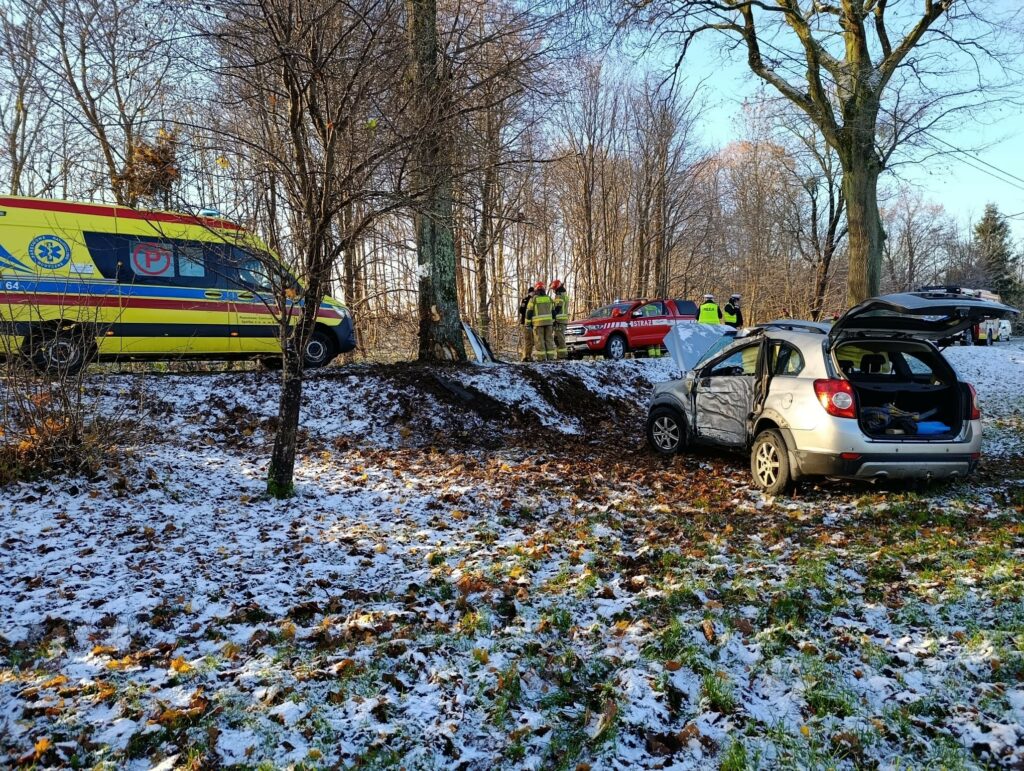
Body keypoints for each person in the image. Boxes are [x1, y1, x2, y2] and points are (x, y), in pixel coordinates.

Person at [526, 281, 556, 361]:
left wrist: (527, 323)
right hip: (549, 324)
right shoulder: (549, 298)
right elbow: (553, 312)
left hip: (538, 324)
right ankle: (550, 358)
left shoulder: (533, 299)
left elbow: (529, 312)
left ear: (536, 289)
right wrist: (553, 321)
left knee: (539, 341)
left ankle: (541, 358)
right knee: (549, 340)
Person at [550, 279, 570, 360]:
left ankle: (562, 356)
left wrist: (552, 315)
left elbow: (558, 308)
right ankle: (561, 355)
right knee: (557, 338)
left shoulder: (559, 295)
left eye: (554, 289)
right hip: (562, 320)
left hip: (559, 321)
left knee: (559, 338)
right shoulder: (564, 295)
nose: (554, 291)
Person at [518, 285, 536, 361]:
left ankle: (528, 355)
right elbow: (521, 310)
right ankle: (526, 356)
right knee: (528, 340)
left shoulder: (534, 300)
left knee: (532, 341)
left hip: (533, 323)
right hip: (525, 323)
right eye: (533, 292)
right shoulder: (525, 300)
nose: (534, 293)